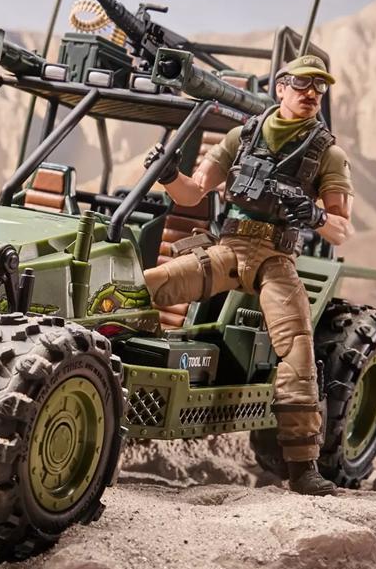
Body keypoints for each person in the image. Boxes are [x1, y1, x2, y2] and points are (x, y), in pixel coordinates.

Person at [143, 55, 354, 496]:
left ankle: (303, 467)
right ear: (281, 87)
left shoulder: (329, 154)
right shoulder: (242, 137)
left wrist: (313, 213)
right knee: (149, 285)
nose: (311, 93)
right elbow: (192, 193)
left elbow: (341, 230)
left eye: (319, 87)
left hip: (276, 260)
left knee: (297, 351)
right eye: (302, 83)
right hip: (228, 249)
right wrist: (168, 174)